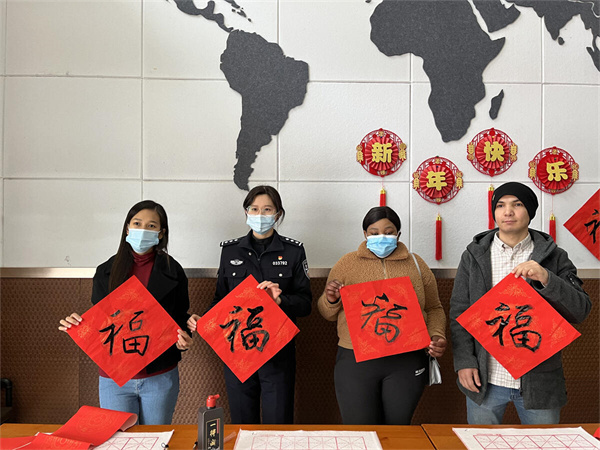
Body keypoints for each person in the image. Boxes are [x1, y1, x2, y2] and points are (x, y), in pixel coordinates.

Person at [450, 182, 591, 424]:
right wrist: (464, 362)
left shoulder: (554, 256)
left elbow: (581, 310)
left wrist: (547, 278)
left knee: (543, 442)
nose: (508, 212)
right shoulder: (475, 255)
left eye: (517, 205)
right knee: (481, 441)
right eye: (501, 205)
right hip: (486, 378)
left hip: (540, 380)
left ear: (530, 211)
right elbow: (459, 312)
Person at [59, 200, 192, 425]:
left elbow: (180, 316)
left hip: (159, 374)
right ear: (127, 228)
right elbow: (101, 320)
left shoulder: (173, 270)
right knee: (118, 439)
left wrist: (186, 335)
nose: (143, 230)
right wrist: (78, 323)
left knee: (156, 439)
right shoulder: (105, 271)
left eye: (151, 226)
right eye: (137, 223)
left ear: (161, 233)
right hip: (115, 376)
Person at [187, 185, 311, 424]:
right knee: (243, 423)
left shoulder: (293, 251)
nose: (260, 215)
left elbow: (305, 305)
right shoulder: (230, 250)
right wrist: (204, 320)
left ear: (278, 214)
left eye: (267, 210)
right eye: (254, 209)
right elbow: (220, 299)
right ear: (246, 212)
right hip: (237, 351)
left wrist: (280, 300)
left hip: (277, 354)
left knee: (278, 424)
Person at [317, 206, 447, 425]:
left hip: (406, 359)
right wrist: (330, 299)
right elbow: (327, 313)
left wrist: (436, 334)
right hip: (356, 359)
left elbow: (434, 307)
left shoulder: (416, 264)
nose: (382, 237)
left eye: (389, 232)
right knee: (360, 431)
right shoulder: (347, 264)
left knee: (398, 429)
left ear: (398, 234)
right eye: (374, 232)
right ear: (365, 234)